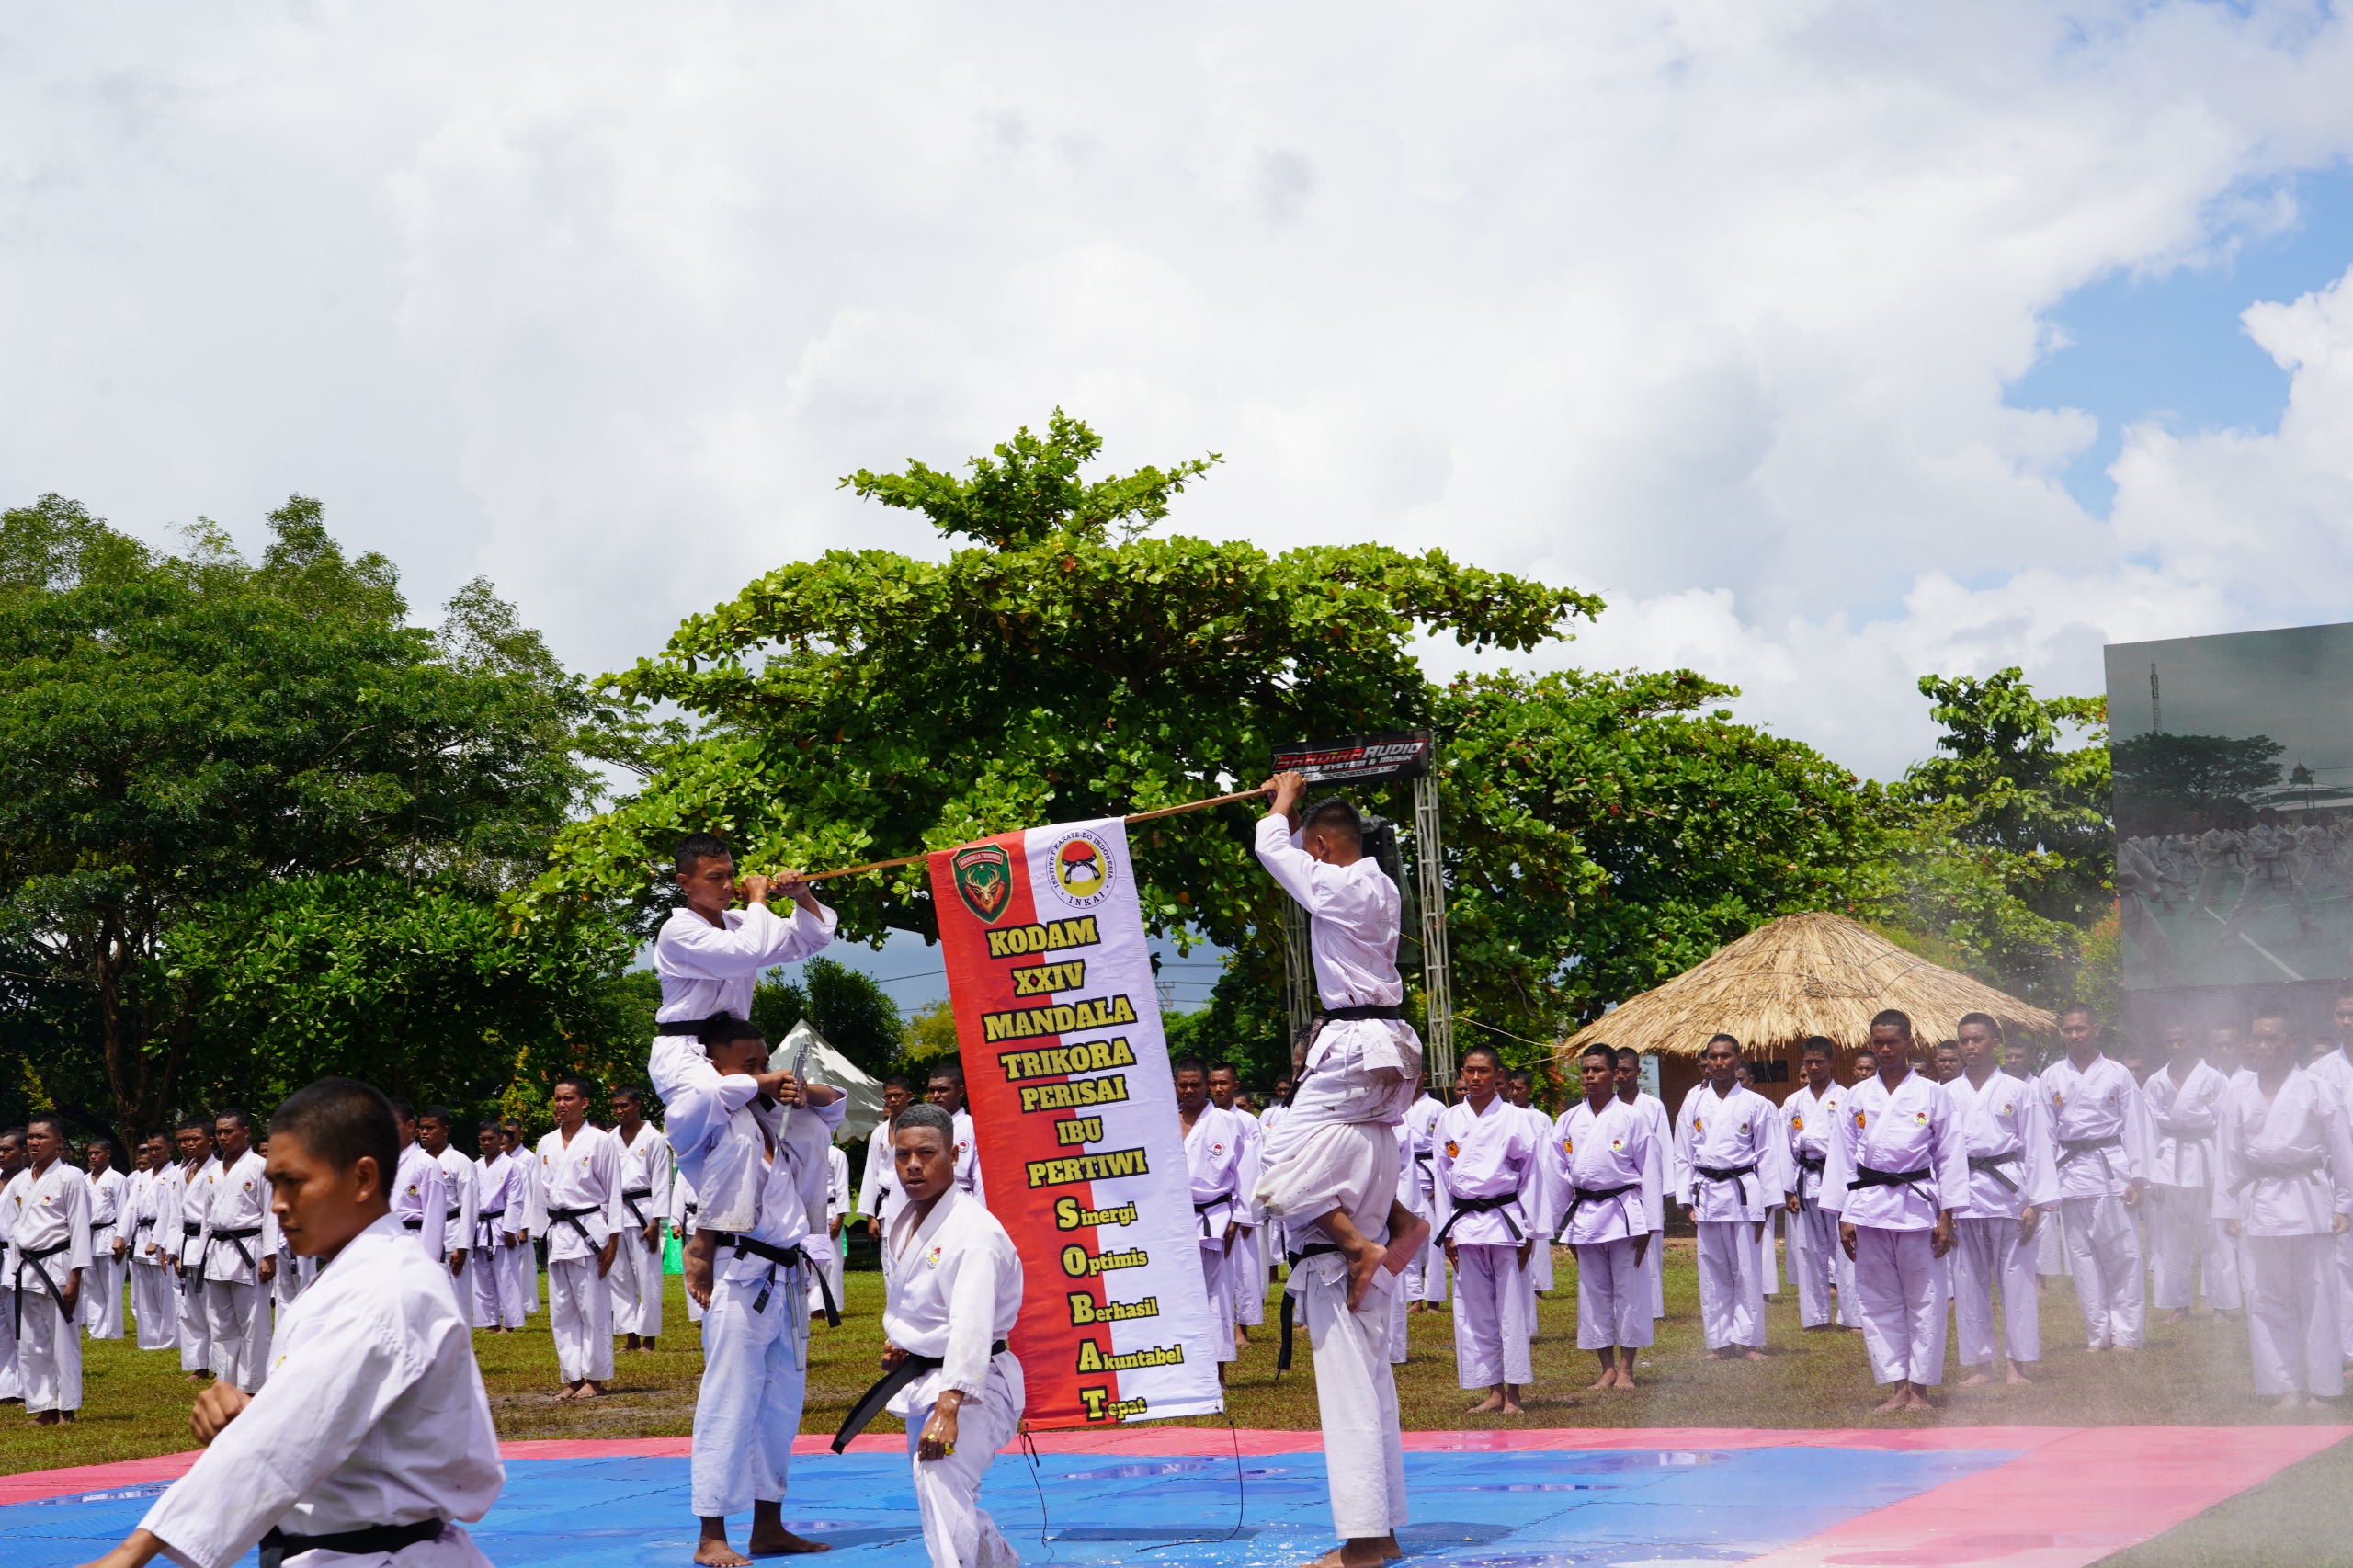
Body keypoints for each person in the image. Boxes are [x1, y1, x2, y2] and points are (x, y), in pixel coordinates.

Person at [75, 1076, 503, 1568]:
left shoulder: (385, 1288)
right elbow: (328, 1415)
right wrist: (256, 1411)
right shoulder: (354, 1274)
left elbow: (291, 1436)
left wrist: (132, 1553)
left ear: (362, 1179)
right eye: (274, 1183)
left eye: (294, 1182)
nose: (278, 1203)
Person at [1247, 775, 1423, 1568]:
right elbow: (1294, 856)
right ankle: (1393, 1225)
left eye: (1311, 845)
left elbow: (1273, 852)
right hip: (1381, 1063)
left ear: (1322, 844)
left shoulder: (1344, 884)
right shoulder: (1380, 883)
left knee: (1275, 1166)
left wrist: (1281, 802)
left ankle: (1365, 1540)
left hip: (1356, 1048)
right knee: (1367, 1151)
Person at [672, 1017, 845, 1565]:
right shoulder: (702, 1117)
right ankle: (711, 1534)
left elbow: (834, 1107)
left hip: (786, 1276)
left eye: (764, 1061)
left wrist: (796, 1087)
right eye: (748, 1064)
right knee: (729, 1402)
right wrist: (757, 1083)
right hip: (738, 1276)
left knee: (780, 1407)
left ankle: (768, 1525)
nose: (764, 1072)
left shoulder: (771, 1117)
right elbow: (709, 1096)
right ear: (715, 1066)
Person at [652, 832, 835, 1233]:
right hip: (687, 1055)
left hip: (740, 1055)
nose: (727, 885)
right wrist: (758, 899)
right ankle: (715, 1236)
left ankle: (811, 1232)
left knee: (808, 1128)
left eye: (731, 875)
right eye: (714, 877)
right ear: (684, 883)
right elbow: (742, 955)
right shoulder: (678, 932)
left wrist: (801, 896)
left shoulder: (739, 923)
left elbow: (808, 940)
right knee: (736, 1132)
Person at [871, 1103, 1025, 1568]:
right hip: (927, 1375)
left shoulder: (972, 1232)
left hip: (975, 1382)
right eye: (903, 1155)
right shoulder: (909, 1216)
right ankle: (998, 1561)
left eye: (926, 1153)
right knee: (941, 1490)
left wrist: (949, 1406)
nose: (913, 1165)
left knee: (938, 1474)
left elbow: (971, 1325)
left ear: (954, 1155)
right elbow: (924, 1301)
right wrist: (907, 1341)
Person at [1823, 1010, 1968, 1414]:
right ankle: (1897, 1384)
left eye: (1893, 1042)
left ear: (1909, 1043)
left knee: (1926, 1297)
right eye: (1878, 1042)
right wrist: (1845, 1215)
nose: (1885, 1049)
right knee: (1877, 1297)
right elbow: (1842, 1157)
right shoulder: (1856, 1095)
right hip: (1869, 1204)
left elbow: (1950, 1155)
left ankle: (1920, 1388)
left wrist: (1946, 1216)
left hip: (1917, 1204)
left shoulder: (1933, 1094)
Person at [2216, 1006, 2353, 1410]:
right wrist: (2229, 1209)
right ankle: (2284, 1385)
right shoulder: (2238, 1090)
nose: (2262, 1046)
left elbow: (2342, 1150)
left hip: (2309, 1197)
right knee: (2265, 1295)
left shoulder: (2316, 1088)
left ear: (2292, 1042)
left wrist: (2345, 1203)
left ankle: (2324, 1386)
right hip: (2258, 1199)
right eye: (2257, 1039)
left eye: (2271, 1038)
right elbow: (2227, 1154)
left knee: (2318, 1294)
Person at [1944, 1012, 2056, 1385]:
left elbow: (2036, 1148)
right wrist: (1942, 1206)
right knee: (1968, 1282)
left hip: (2009, 1193)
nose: (1970, 1046)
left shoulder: (2019, 1091)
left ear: (1995, 1043)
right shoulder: (1947, 1094)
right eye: (1964, 1040)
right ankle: (1981, 1365)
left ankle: (2016, 1364)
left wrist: (2035, 1203)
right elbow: (1937, 1153)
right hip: (1963, 1193)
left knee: (2016, 1281)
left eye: (1977, 1039)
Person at [2040, 1003, 2154, 1351]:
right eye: (2068, 1030)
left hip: (2111, 1171)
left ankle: (2128, 1335)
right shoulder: (2051, 1076)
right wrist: (2045, 1185)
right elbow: (2044, 1135)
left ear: (2096, 1030)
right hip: (2070, 1173)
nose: (2074, 1035)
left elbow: (2135, 1126)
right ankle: (2098, 1334)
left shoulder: (2118, 1074)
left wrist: (2138, 1177)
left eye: (2081, 1029)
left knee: (2122, 1255)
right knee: (2082, 1258)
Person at [1433, 1043, 1537, 1413]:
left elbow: (1532, 1175)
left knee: (1511, 1308)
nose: (1475, 1078)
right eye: (1469, 1071)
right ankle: (1492, 1390)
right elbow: (1442, 1176)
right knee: (1475, 1309)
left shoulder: (1516, 1118)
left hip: (1505, 1222)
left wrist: (1531, 1231)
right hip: (1464, 1223)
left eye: (1483, 1071)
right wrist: (1447, 1232)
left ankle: (1514, 1392)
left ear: (1498, 1076)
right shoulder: (1450, 1118)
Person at [1549, 1044, 1660, 1389]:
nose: (1589, 1076)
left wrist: (1650, 1225)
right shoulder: (1568, 1120)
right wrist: (1560, 1227)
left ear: (1614, 1074)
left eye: (1597, 1070)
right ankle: (1606, 1368)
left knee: (1629, 1291)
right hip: (1584, 1215)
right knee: (1593, 1293)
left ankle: (1626, 1369)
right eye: (1585, 1070)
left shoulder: (1632, 1118)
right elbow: (1556, 1177)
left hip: (1624, 1213)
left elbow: (1650, 1172)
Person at [1674, 1035, 1784, 1360]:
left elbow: (1768, 1156)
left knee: (1746, 1269)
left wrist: (1766, 1206)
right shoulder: (1693, 1103)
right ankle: (1720, 1341)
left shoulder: (1757, 1104)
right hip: (1706, 1191)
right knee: (1712, 1269)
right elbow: (1682, 1155)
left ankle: (1749, 1340)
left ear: (1738, 1059)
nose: (1718, 1063)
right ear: (1706, 1061)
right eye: (1713, 1057)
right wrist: (1686, 1202)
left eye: (1725, 1056)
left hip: (1744, 1193)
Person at [2143, 1023, 2241, 1323]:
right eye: (2170, 1041)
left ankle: (2220, 1306)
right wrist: (2150, 1175)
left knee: (2215, 1235)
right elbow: (2147, 1128)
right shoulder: (2156, 1081)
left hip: (2205, 1158)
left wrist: (2223, 1173)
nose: (2175, 1046)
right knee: (2171, 1238)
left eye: (2181, 1040)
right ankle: (2178, 1305)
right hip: (2168, 1160)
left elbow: (2226, 1127)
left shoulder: (2213, 1078)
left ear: (2194, 1041)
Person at [538, 1075, 623, 1399]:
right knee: (562, 1311)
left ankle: (595, 1378)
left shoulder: (600, 1141)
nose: (561, 1104)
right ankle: (572, 1376)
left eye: (568, 1098)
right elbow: (539, 1196)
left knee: (593, 1308)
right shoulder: (545, 1143)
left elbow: (614, 1193)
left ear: (584, 1103)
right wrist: (538, 1234)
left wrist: (613, 1241)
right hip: (557, 1232)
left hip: (589, 1232)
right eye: (557, 1098)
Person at [7, 1115, 92, 1421]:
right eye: (31, 1136)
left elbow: (80, 1228)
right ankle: (44, 1407)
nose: (34, 1142)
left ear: (58, 1142)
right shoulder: (20, 1181)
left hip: (58, 1266)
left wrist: (75, 1278)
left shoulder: (71, 1177)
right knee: (32, 1343)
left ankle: (66, 1407)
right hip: (26, 1268)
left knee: (63, 1341)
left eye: (41, 1137)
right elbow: (13, 1227)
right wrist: (13, 1268)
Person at [1177, 1058, 1250, 1371]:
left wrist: (1238, 1217)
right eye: (1183, 1085)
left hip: (1216, 1216)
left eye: (1195, 1084)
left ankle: (1218, 1369)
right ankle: (1187, 1367)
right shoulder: (1164, 1121)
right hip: (1176, 1218)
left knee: (1217, 1293)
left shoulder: (1228, 1122)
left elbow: (1246, 1173)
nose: (1189, 1090)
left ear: (1206, 1085)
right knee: (1179, 1292)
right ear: (1175, 1086)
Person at [199, 1108, 276, 1392]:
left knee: (254, 1323)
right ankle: (225, 1382)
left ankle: (253, 1385)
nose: (223, 1137)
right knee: (220, 1324)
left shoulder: (260, 1167)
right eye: (219, 1132)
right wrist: (201, 1255)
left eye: (229, 1131)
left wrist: (270, 1256)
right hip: (217, 1252)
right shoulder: (212, 1171)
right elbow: (206, 1219)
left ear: (245, 1131)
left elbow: (271, 1213)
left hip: (249, 1251)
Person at [1781, 1038, 1853, 1332]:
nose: (1813, 1067)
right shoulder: (1793, 1102)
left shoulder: (1846, 1097)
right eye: (1808, 1062)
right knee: (1809, 1249)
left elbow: (1853, 1146)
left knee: (1846, 1249)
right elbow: (1783, 1146)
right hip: (1806, 1180)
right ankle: (1816, 1317)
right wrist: (1788, 1189)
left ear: (1831, 1062)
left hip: (1838, 1178)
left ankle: (1852, 1317)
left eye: (1819, 1061)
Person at [2302, 986, 2353, 1365]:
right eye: (2341, 1014)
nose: (2347, 1022)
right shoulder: (2319, 1073)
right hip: (2339, 1176)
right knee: (2341, 1264)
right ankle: (2348, 1350)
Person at [1608, 1048, 1672, 1323]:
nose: (1621, 1076)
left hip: (1647, 1187)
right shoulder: (1607, 1108)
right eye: (1617, 1071)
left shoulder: (1653, 1106)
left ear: (1638, 1071)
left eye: (1627, 1070)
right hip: (1618, 1190)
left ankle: (1653, 1308)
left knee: (1651, 1250)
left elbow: (1664, 1148)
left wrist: (1663, 1191)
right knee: (1620, 1249)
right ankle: (1621, 1304)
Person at [610, 1085, 672, 1353]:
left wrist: (656, 1221)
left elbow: (661, 1181)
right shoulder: (610, 1139)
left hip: (644, 1211)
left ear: (637, 1105)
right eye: (615, 1106)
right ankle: (630, 1337)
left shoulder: (653, 1138)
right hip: (615, 1211)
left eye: (624, 1105)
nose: (619, 1111)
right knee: (619, 1276)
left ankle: (649, 1337)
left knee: (648, 1277)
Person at [1208, 1063, 1267, 1346]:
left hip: (1241, 1203)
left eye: (1223, 1083)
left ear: (1235, 1085)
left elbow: (1253, 1168)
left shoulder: (1247, 1121)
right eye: (1214, 1083)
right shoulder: (1205, 1119)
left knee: (1244, 1268)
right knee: (1218, 1268)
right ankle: (1219, 1325)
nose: (1218, 1088)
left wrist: (1246, 1213)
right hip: (1213, 1204)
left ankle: (1242, 1329)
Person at [418, 1108, 479, 1330]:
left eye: (430, 1128)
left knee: (457, 1299)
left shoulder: (460, 1162)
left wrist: (462, 1247)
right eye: (421, 1128)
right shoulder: (418, 1161)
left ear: (445, 1130)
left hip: (451, 1232)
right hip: (422, 1233)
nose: (424, 1132)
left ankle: (461, 1347)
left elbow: (470, 1206)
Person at [472, 1120, 525, 1332]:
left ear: (499, 1139)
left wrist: (510, 1229)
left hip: (501, 1224)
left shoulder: (511, 1165)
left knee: (506, 1275)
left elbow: (515, 1200)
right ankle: (490, 1321)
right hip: (480, 1226)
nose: (487, 1143)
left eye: (491, 1139)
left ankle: (510, 1323)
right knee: (482, 1275)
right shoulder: (475, 1166)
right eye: (483, 1139)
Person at [129, 1135, 178, 1352]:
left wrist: (162, 1241)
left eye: (158, 1148)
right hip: (142, 1235)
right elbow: (130, 1208)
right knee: (144, 1293)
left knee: (166, 1291)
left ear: (169, 1147)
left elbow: (173, 1213)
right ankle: (149, 1339)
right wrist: (121, 1236)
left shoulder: (175, 1174)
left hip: (164, 1235)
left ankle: (169, 1339)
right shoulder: (142, 1177)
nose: (154, 1153)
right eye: (150, 1149)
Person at [858, 1076, 917, 1241]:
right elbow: (871, 1172)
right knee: (888, 1251)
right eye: (888, 1096)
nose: (893, 1100)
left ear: (909, 1096)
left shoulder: (920, 1128)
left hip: (913, 1200)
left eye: (897, 1095)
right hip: (886, 1203)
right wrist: (870, 1216)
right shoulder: (879, 1132)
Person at [389, 1101, 448, 1266]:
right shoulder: (380, 1164)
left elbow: (434, 1221)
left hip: (410, 1244)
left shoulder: (426, 1164)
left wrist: (427, 1265)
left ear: (409, 1126)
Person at [82, 1137, 129, 1341]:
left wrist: (122, 1238)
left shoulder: (117, 1179)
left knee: (112, 1285)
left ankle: (113, 1330)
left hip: (110, 1234)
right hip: (88, 1235)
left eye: (97, 1153)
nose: (92, 1157)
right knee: (91, 1285)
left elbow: (124, 1211)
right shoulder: (83, 1180)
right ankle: (96, 1329)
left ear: (108, 1153)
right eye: (90, 1153)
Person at [502, 1119, 544, 1318]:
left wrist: (527, 1225)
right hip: (500, 1218)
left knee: (523, 1266)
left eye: (513, 1132)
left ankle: (523, 1305)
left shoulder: (527, 1159)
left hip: (521, 1218)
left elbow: (532, 1192)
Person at [926, 1066, 985, 1200]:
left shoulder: (972, 1127)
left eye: (943, 1090)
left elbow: (979, 1176)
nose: (936, 1096)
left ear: (960, 1091)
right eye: (931, 1090)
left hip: (962, 1198)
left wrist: (979, 1210)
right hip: (927, 1199)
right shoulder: (923, 1127)